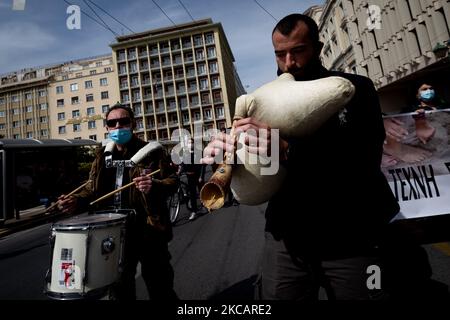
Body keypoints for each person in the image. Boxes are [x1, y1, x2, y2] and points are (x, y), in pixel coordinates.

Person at [203, 13, 407, 300]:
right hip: (288, 238)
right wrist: (229, 156)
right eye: (280, 54)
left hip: (353, 235)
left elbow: (364, 159)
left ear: (318, 48)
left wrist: (287, 149)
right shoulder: (263, 101)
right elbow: (256, 164)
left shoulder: (354, 89)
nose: (289, 63)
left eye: (298, 51)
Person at [55, 103, 178, 300]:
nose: (118, 126)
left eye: (124, 121)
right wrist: (75, 201)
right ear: (107, 127)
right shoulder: (102, 155)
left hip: (148, 229)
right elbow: (92, 188)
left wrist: (153, 185)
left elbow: (172, 181)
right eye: (113, 123)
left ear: (133, 124)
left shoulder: (153, 151)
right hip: (113, 231)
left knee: (160, 285)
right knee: (119, 289)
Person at [179, 138, 206, 221]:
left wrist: (201, 176)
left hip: (198, 176)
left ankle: (204, 206)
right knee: (192, 195)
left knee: (201, 192)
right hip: (189, 177)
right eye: (189, 143)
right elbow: (183, 165)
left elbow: (203, 165)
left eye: (192, 142)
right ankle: (194, 211)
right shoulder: (185, 154)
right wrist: (179, 171)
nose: (190, 144)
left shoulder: (199, 152)